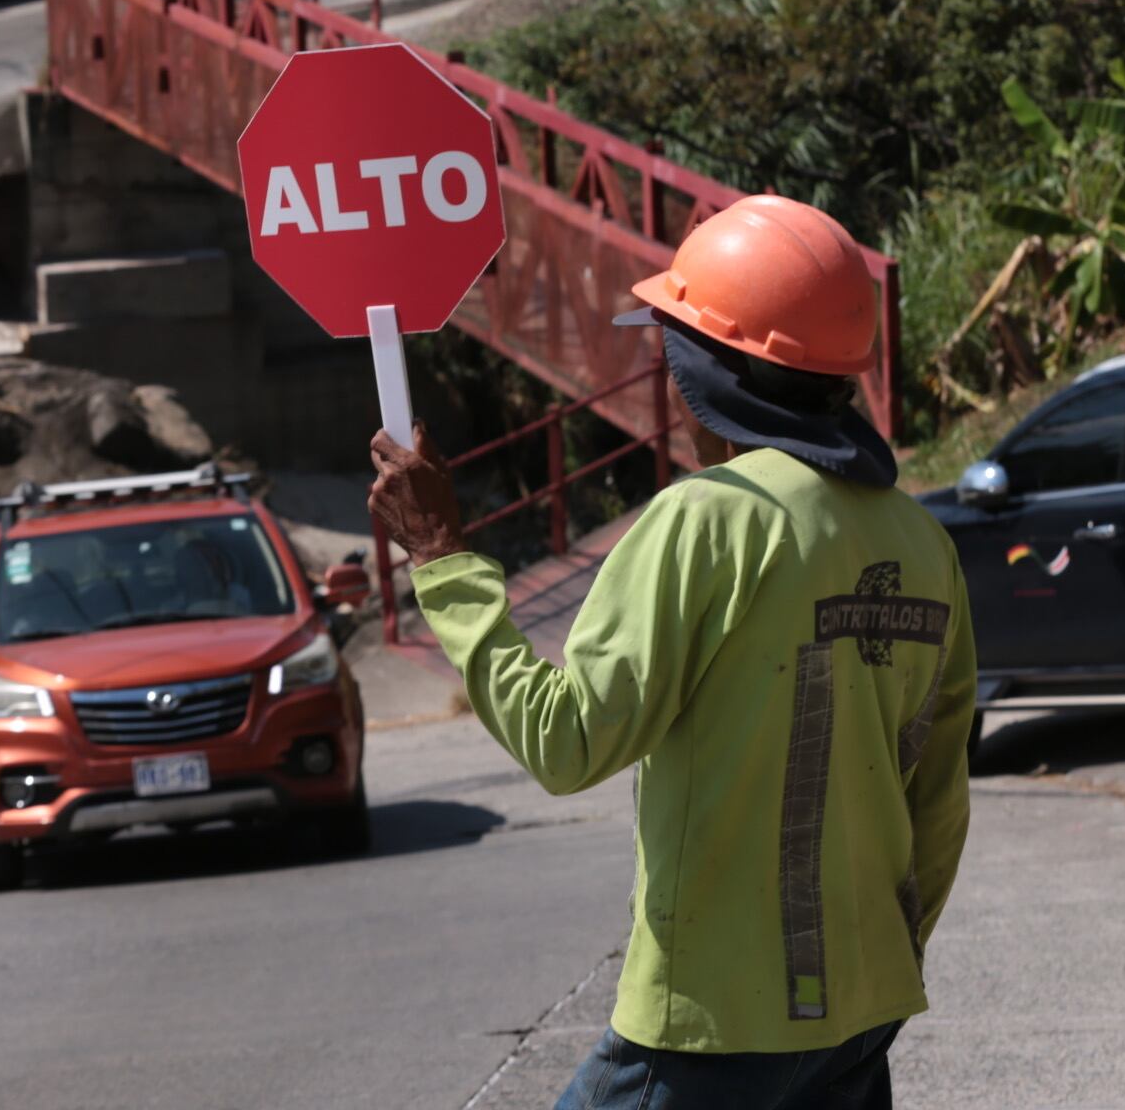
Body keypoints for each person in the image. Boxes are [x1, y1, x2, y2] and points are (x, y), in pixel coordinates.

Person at [369, 194, 977, 1110]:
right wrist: (882, 964)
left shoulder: (708, 519)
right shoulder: (921, 543)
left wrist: (442, 560)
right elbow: (939, 804)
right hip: (863, 1009)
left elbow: (567, 742)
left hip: (711, 1025)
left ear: (704, 377)